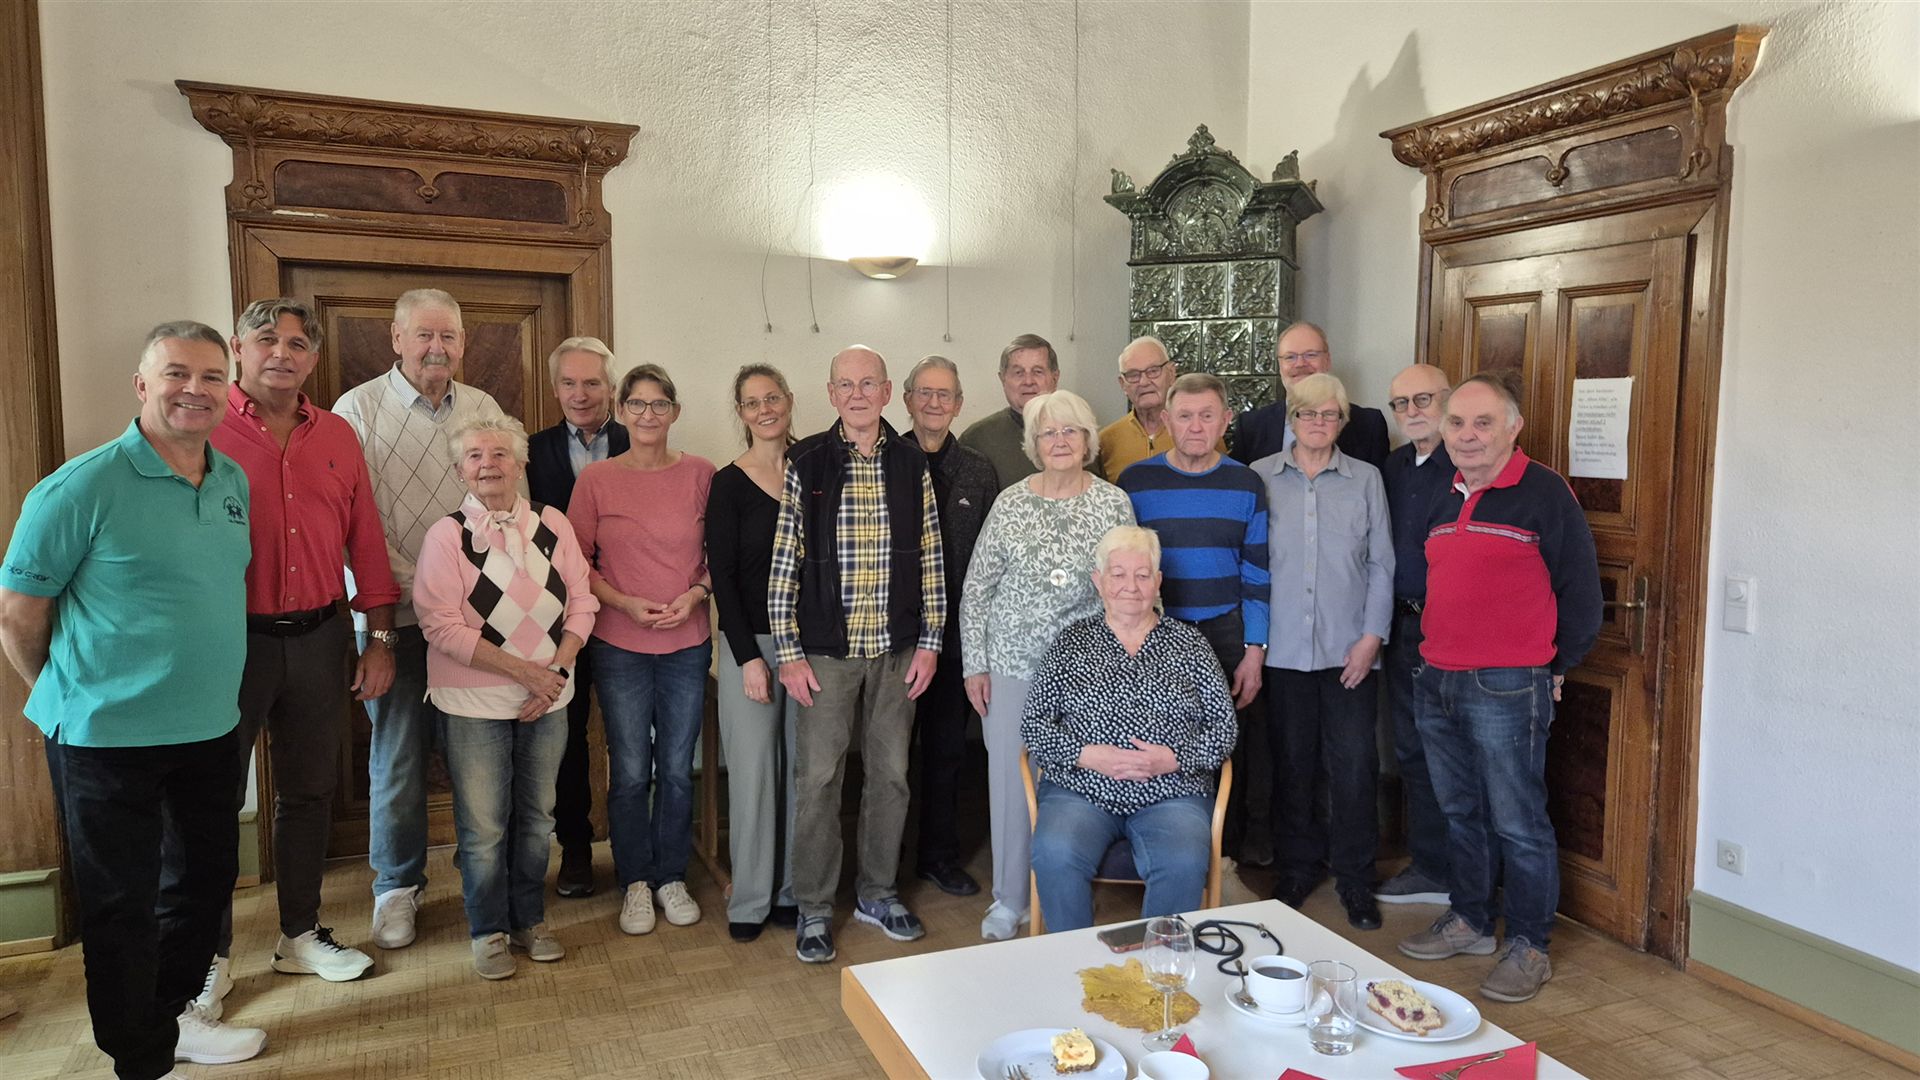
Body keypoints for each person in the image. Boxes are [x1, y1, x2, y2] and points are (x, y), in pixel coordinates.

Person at [0, 322, 268, 1077]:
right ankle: (140, 1059)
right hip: (104, 738)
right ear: (142, 384)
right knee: (121, 907)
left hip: (209, 728)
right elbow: (19, 615)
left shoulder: (230, 480)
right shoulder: (79, 487)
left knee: (204, 887)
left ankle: (169, 1018)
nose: (195, 389)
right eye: (177, 373)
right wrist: (68, 694)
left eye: (212, 376)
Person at [182, 300, 397, 1020]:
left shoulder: (336, 434)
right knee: (209, 801)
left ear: (313, 359)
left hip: (319, 638)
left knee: (308, 793)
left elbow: (366, 538)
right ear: (239, 348)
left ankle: (299, 934)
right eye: (267, 339)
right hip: (226, 644)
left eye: (298, 343)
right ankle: (204, 960)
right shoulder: (203, 427)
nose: (283, 352)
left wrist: (380, 638)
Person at [1396, 373, 1601, 1004]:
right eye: (1457, 423)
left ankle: (1531, 946)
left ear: (1513, 428)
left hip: (1509, 683)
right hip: (1437, 676)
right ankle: (1472, 921)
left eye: (1483, 423)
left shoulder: (1544, 492)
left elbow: (1581, 592)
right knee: (1462, 812)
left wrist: (1555, 666)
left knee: (1518, 820)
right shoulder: (1443, 493)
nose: (1468, 435)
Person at [331, 288, 507, 951]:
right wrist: (428, 586)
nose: (437, 348)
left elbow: (501, 508)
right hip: (392, 619)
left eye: (449, 336)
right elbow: (351, 521)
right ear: (396, 338)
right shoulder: (357, 411)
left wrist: (459, 595)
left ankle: (480, 878)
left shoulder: (484, 409)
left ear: (463, 342)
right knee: (399, 757)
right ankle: (396, 888)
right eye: (424, 335)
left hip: (475, 623)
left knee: (476, 759)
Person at [769, 345, 946, 964]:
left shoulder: (911, 463)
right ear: (831, 393)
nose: (857, 394)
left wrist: (931, 642)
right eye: (845, 384)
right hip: (825, 651)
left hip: (898, 650)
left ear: (888, 391)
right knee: (818, 780)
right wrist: (788, 652)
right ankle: (815, 907)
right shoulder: (807, 460)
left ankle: (877, 893)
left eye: (868, 383)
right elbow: (785, 561)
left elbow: (931, 556)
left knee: (891, 776)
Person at [415, 416, 597, 980]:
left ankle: (529, 921)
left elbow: (583, 603)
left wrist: (556, 673)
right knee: (484, 828)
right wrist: (527, 673)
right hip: (473, 705)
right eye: (474, 455)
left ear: (520, 464)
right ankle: (488, 929)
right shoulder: (446, 536)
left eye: (499, 453)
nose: (487, 464)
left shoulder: (553, 523)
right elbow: (440, 625)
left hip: (550, 700)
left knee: (537, 819)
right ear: (459, 470)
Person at [960, 389, 1136, 940]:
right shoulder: (1010, 503)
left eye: (1070, 430)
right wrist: (975, 664)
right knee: (1010, 783)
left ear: (1088, 439)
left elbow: (1131, 586)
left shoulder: (1113, 504)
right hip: (1011, 663)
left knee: (1075, 782)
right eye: (1048, 433)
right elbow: (977, 589)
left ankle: (1060, 891)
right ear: (1034, 444)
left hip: (1088, 670)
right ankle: (1009, 900)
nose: (1060, 441)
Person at [1022, 526, 1239, 933]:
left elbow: (1224, 729)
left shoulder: (1190, 645)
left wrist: (1174, 758)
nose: (1130, 587)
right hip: (1081, 790)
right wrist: (1088, 755)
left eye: (1142, 575)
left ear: (1158, 582)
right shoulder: (1070, 643)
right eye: (1118, 574)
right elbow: (1033, 725)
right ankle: (1075, 960)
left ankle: (1155, 965)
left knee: (1183, 860)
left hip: (1172, 792)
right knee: (1055, 852)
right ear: (1099, 581)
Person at [568, 363, 715, 936]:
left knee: (676, 769)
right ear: (621, 411)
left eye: (659, 404)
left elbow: (719, 557)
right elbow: (576, 564)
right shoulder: (597, 479)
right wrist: (623, 603)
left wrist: (695, 595)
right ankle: (634, 880)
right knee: (629, 770)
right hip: (619, 644)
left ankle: (671, 876)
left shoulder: (702, 474)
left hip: (686, 643)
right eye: (637, 404)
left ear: (674, 412)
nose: (648, 414)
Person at [1250, 373, 1395, 931]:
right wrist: (1256, 644)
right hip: (1283, 651)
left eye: (1329, 414)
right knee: (1292, 765)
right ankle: (1296, 868)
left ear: (1342, 421)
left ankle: (1356, 879)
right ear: (1291, 418)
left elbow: (1381, 563)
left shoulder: (1366, 479)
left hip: (1349, 652)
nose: (1318, 423)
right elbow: (1250, 564)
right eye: (1308, 413)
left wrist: (1371, 637)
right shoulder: (1259, 476)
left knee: (1355, 768)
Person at [1115, 371, 1271, 865]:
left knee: (1232, 744)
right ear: (1166, 420)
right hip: (1158, 632)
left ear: (1226, 420)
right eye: (1185, 416)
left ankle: (1228, 856)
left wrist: (1255, 649)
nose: (1196, 426)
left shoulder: (1246, 483)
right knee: (1159, 736)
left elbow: (1257, 572)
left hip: (1226, 631)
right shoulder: (1134, 482)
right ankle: (1165, 851)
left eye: (1207, 416)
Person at [526, 336, 629, 899]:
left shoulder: (638, 440)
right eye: (569, 382)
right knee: (565, 737)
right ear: (554, 387)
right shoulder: (529, 450)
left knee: (630, 737)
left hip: (626, 616)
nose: (580, 394)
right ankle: (576, 850)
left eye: (592, 382)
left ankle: (637, 852)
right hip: (556, 621)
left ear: (611, 387)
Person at [706, 363, 802, 942]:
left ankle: (791, 891)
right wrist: (747, 659)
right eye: (751, 402)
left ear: (788, 401)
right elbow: (722, 576)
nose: (764, 409)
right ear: (741, 413)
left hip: (809, 649)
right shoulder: (728, 483)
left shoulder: (814, 469)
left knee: (801, 775)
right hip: (752, 645)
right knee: (753, 776)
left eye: (772, 398)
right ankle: (750, 899)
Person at [901, 356, 999, 899]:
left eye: (945, 394)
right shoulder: (884, 460)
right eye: (925, 392)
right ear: (907, 400)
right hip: (892, 640)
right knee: (890, 758)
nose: (935, 403)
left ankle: (937, 856)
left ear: (959, 404)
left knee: (945, 753)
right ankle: (883, 863)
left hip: (956, 641)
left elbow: (989, 564)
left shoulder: (979, 471)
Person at [1374, 363, 1455, 907]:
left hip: (1453, 629)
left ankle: (1468, 874)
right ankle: (1430, 867)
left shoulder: (1467, 463)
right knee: (1412, 748)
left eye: (1423, 399)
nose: (1411, 411)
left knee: (1456, 751)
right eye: (1400, 403)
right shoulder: (1393, 467)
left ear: (1447, 400)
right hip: (1401, 627)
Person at [1229, 322, 1390, 470]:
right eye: (1290, 357)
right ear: (1280, 365)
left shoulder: (1369, 425)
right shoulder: (1251, 427)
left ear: (1327, 361)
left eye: (1310, 355)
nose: (1300, 364)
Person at [1095, 336, 1222, 482]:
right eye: (1133, 375)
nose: (1144, 382)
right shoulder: (1105, 441)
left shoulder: (1201, 433)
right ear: (1122, 384)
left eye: (1153, 371)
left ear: (1171, 373)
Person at [959, 333, 1059, 490]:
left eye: (1038, 371)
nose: (1028, 381)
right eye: (1018, 372)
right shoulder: (976, 440)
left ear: (1055, 377)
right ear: (1003, 379)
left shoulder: (1079, 435)